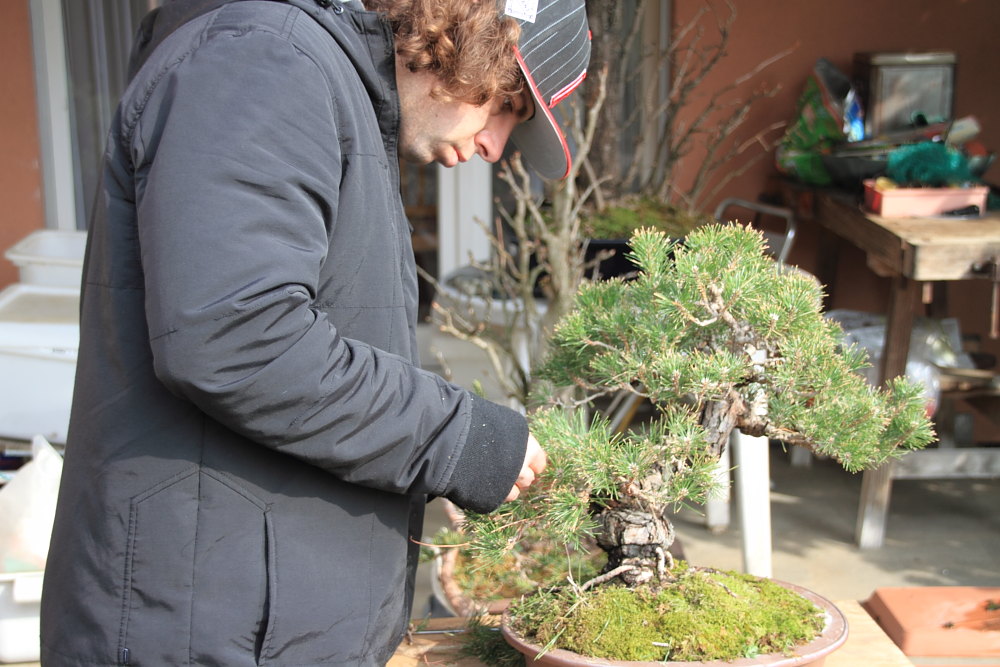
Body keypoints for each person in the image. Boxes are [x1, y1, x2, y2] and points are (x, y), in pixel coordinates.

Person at [39, 0, 590, 665]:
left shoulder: (330, 92)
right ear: (464, 38)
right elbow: (239, 337)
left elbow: (311, 352)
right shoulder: (261, 63)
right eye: (505, 104)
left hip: (250, 625)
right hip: (201, 633)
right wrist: (454, 437)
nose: (494, 147)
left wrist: (426, 464)